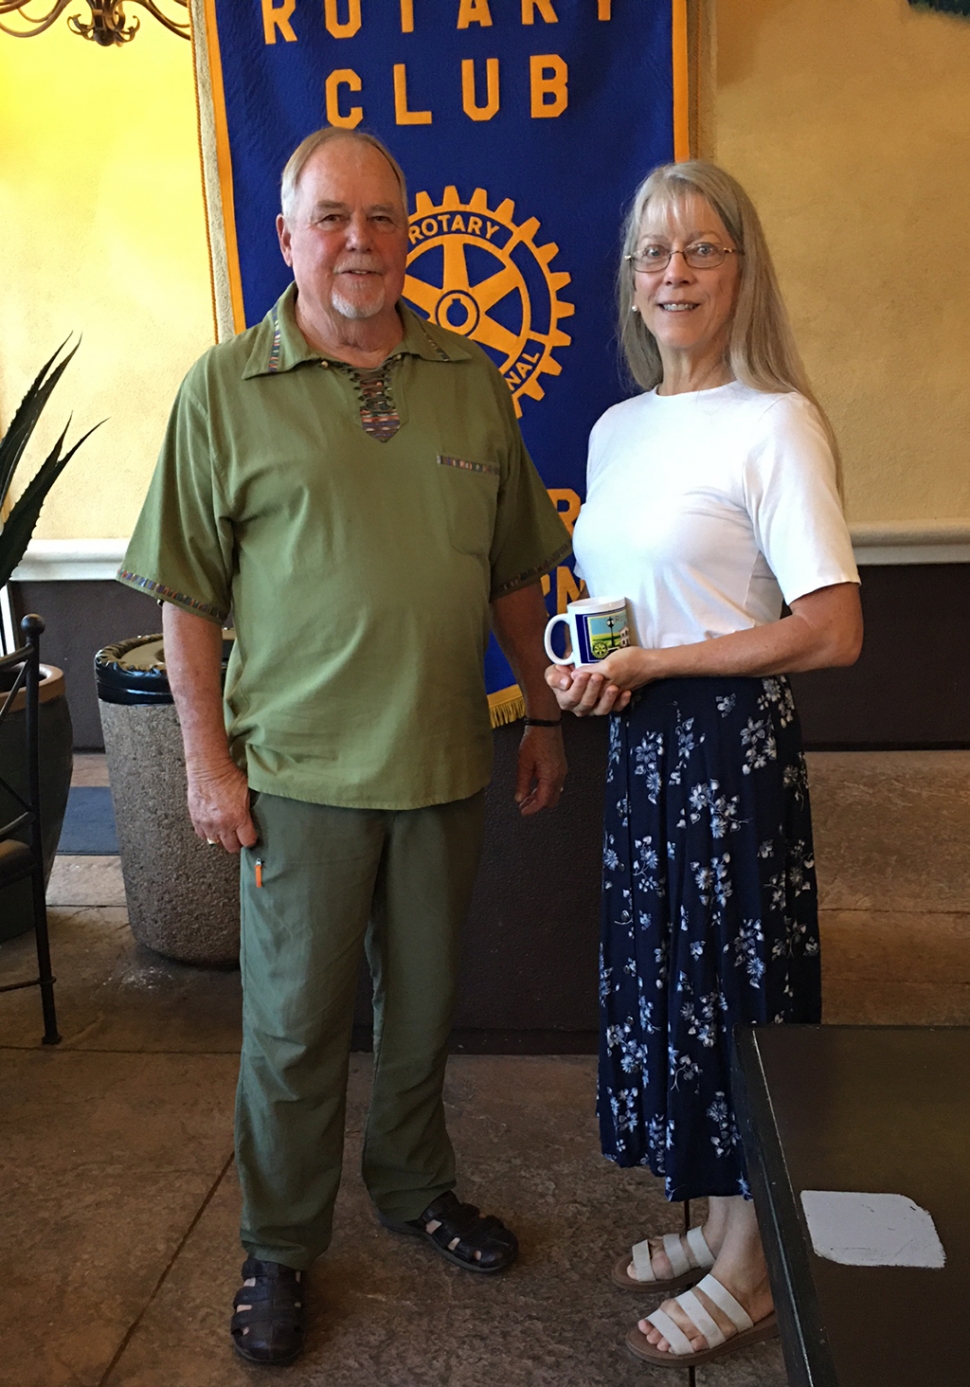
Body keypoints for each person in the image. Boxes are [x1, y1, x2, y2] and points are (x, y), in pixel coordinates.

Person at [118, 127, 571, 1368]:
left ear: (412, 236)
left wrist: (538, 707)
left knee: (422, 1011)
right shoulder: (222, 387)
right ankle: (278, 1239)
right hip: (297, 783)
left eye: (382, 219)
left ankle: (414, 1186)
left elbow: (515, 572)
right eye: (331, 218)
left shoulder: (469, 379)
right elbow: (186, 599)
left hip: (441, 765)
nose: (359, 241)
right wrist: (208, 766)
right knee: (294, 1029)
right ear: (287, 236)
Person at [545, 160, 862, 1369]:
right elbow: (629, 612)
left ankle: (752, 1266)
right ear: (629, 284)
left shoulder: (776, 420)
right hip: (643, 742)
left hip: (728, 752)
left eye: (698, 250)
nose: (670, 273)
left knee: (736, 998)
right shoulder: (619, 426)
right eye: (649, 254)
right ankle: (722, 1214)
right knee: (676, 991)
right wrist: (596, 672)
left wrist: (668, 664)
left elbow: (831, 626)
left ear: (741, 271)